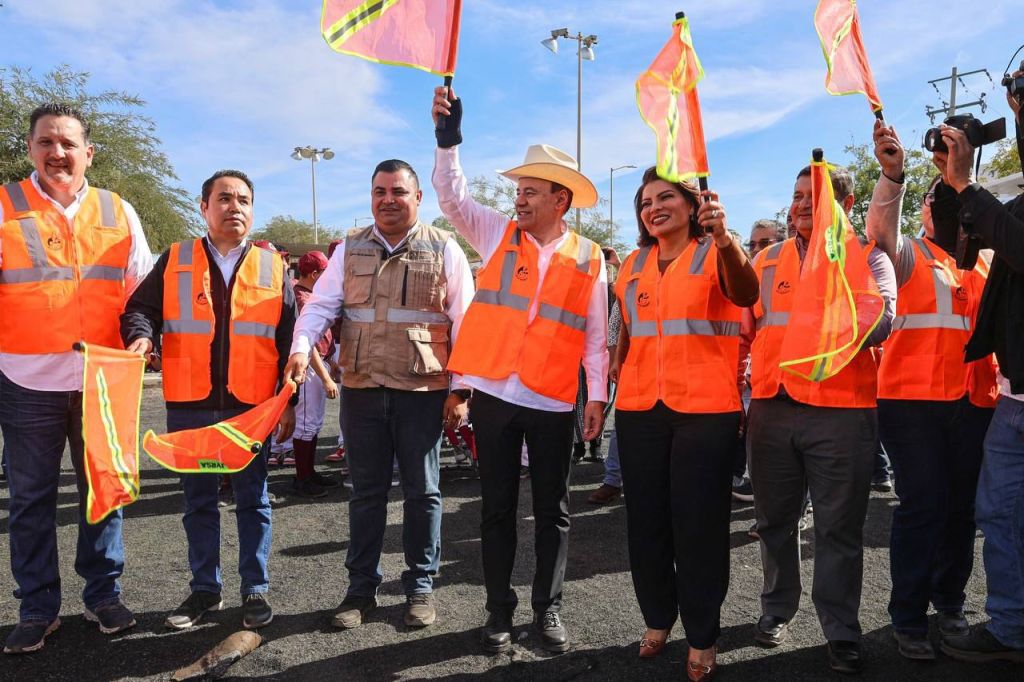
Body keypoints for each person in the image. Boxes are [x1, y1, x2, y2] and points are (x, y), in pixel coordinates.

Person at [432, 86, 608, 654]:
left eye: (530, 192)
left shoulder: (591, 256)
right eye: (518, 191)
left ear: (561, 199)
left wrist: (596, 400)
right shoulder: (496, 234)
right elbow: (452, 198)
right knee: (497, 511)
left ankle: (547, 610)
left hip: (554, 400)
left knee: (553, 513)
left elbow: (596, 339)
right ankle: (498, 612)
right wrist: (448, 141)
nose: (519, 200)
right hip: (495, 396)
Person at [285, 159, 473, 630]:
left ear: (417, 198)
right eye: (380, 191)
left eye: (399, 192)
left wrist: (462, 389)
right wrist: (302, 346)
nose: (388, 199)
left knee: (423, 493)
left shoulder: (444, 247)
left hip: (422, 392)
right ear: (371, 196)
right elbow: (321, 308)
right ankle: (360, 590)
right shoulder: (349, 249)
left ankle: (420, 587)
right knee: (365, 493)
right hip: (363, 389)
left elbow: (467, 324)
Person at [0, 103, 153, 654]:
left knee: (103, 492)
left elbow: (140, 290)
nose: (57, 153)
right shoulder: (3, 206)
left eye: (68, 143)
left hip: (103, 380)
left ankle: (103, 595)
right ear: (30, 150)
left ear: (89, 152)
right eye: (46, 142)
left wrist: (143, 331)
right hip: (25, 380)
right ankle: (38, 608)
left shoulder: (120, 210)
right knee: (30, 499)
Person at [121, 169, 296, 631]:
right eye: (223, 198)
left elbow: (289, 337)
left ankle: (254, 589)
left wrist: (288, 403)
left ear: (252, 210)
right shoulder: (175, 259)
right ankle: (205, 590)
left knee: (253, 500)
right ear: (204, 207)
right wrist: (141, 336)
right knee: (197, 502)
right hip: (190, 403)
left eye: (243, 200)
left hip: (251, 407)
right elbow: (140, 308)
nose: (234, 207)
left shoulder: (274, 266)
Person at [743, 158, 898, 674]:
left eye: (815, 196)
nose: (802, 205)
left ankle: (840, 629)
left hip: (842, 414)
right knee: (774, 523)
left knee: (838, 529)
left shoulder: (869, 258)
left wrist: (829, 281)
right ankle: (776, 608)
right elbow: (741, 327)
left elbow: (882, 322)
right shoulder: (765, 262)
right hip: (772, 409)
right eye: (797, 195)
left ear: (846, 205)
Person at [613, 167, 758, 680]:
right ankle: (657, 617)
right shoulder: (630, 263)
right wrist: (613, 367)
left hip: (705, 413)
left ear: (693, 204)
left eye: (665, 197)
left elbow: (744, 294)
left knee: (697, 528)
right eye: (646, 200)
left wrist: (726, 240)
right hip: (637, 411)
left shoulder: (717, 252)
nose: (654, 207)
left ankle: (702, 633)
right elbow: (624, 330)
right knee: (646, 524)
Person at [866, 122, 998, 660]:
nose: (944, 205)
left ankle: (950, 604)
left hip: (973, 403)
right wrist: (892, 175)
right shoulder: (905, 256)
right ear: (922, 209)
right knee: (922, 505)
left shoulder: (986, 262)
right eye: (934, 198)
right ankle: (908, 615)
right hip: (910, 403)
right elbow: (879, 229)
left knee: (961, 509)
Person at [933, 70, 1024, 663]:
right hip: (1015, 399)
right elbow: (954, 246)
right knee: (998, 514)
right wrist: (948, 183)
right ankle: (1011, 628)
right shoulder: (1012, 204)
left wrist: (970, 184)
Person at [282, 250, 339, 498]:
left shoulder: (310, 294)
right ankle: (302, 479)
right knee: (305, 424)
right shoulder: (302, 298)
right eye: (324, 272)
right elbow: (310, 344)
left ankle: (308, 473)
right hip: (308, 368)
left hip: (319, 364)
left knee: (312, 423)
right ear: (314, 274)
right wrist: (325, 377)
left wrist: (332, 362)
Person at [587, 299, 624, 505]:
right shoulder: (633, 273)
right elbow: (615, 322)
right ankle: (613, 481)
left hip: (677, 369)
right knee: (622, 426)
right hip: (636, 369)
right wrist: (613, 358)